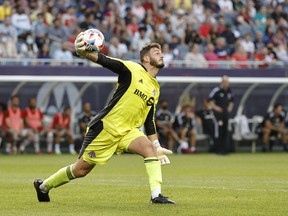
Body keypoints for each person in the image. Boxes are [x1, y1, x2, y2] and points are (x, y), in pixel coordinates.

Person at [33, 35, 175, 204]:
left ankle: (156, 196)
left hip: (129, 131)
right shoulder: (131, 69)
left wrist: (157, 146)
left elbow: (149, 120)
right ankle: (44, 187)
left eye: (161, 53)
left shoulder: (155, 88)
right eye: (157, 52)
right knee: (80, 170)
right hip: (106, 128)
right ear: (146, 58)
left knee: (149, 149)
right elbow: (105, 60)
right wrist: (85, 53)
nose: (162, 55)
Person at [208, 75, 234, 155]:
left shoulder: (229, 91)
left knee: (225, 131)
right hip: (218, 115)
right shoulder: (217, 90)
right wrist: (216, 108)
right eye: (225, 82)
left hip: (226, 114)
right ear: (222, 82)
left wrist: (229, 108)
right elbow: (209, 100)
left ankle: (225, 149)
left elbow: (232, 101)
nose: (226, 83)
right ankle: (218, 150)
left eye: (227, 82)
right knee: (219, 131)